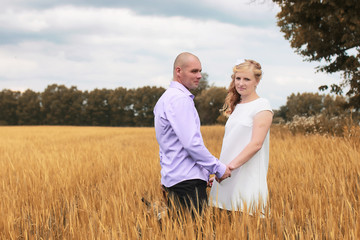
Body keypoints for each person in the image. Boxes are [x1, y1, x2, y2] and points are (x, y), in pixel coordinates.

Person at [153, 52, 231, 216]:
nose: (200, 76)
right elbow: (191, 144)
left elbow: (167, 145)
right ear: (178, 71)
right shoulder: (180, 100)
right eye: (194, 71)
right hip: (187, 183)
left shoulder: (165, 99)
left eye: (200, 71)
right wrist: (218, 168)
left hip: (175, 179)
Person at [209, 59, 273, 216]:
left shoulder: (262, 106)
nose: (241, 83)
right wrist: (220, 171)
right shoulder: (236, 107)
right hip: (226, 180)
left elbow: (256, 144)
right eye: (238, 78)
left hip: (247, 181)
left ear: (257, 81)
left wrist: (227, 169)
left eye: (247, 79)